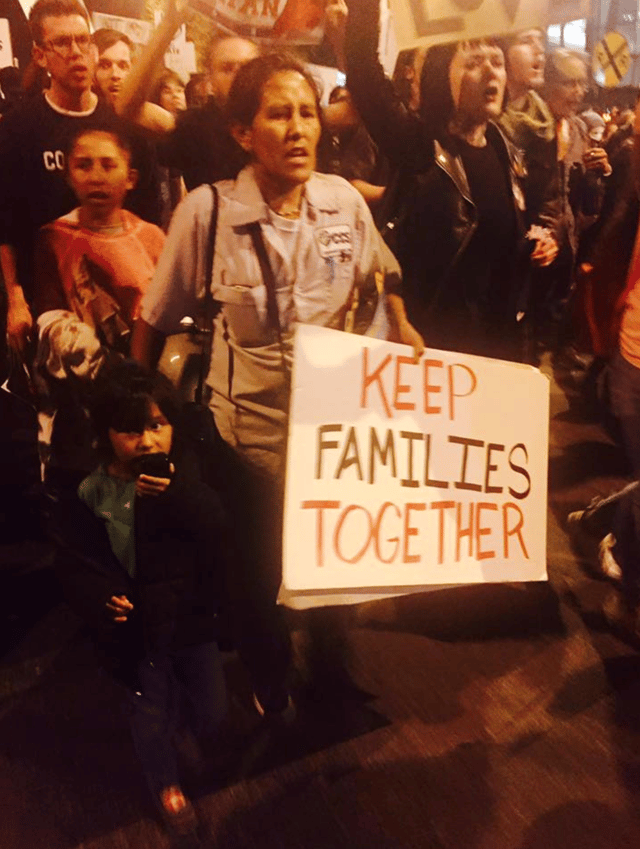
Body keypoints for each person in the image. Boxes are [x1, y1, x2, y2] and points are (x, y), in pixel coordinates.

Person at [131, 51, 423, 714]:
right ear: (242, 132)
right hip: (248, 445)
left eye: (307, 114)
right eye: (279, 114)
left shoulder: (344, 201)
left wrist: (400, 325)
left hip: (332, 437)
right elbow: (151, 320)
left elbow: (385, 274)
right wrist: (140, 410)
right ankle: (268, 676)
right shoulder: (205, 215)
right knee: (261, 572)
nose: (298, 129)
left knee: (333, 560)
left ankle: (332, 665)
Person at [49, 359, 229, 833]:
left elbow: (216, 527)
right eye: (130, 430)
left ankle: (185, 726)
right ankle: (165, 784)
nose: (147, 441)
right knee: (148, 714)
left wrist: (177, 493)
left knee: (213, 711)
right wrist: (101, 596)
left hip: (191, 621)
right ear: (106, 433)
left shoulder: (186, 474)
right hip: (137, 632)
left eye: (156, 425)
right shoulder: (93, 490)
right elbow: (78, 559)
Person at [343, 0, 553, 360]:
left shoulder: (507, 148)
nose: (491, 71)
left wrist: (539, 242)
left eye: (498, 62)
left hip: (497, 346)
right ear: (443, 76)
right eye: (474, 63)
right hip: (428, 343)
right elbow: (365, 74)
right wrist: (364, 10)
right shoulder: (420, 144)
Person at [31, 122, 165, 482]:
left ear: (131, 177)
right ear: (69, 176)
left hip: (147, 402)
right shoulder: (53, 239)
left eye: (108, 165)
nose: (95, 177)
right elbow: (49, 318)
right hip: (79, 408)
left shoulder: (151, 238)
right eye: (83, 165)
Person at [0, 0, 113, 359]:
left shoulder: (115, 123)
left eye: (84, 40)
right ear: (41, 55)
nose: (76, 52)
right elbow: (6, 223)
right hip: (47, 303)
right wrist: (16, 298)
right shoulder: (19, 129)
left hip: (112, 295)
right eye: (62, 43)